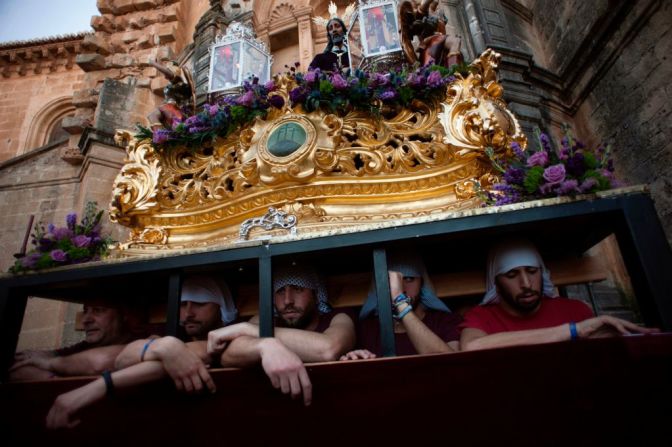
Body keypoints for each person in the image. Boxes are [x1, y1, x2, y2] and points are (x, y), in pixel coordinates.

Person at [45, 275, 237, 429]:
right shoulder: (169, 334)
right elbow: (123, 358)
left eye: (200, 303)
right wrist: (163, 346)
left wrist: (97, 388)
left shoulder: (230, 339)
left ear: (222, 307)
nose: (188, 314)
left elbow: (201, 351)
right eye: (182, 304)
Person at [460, 239, 659, 351]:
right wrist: (573, 331)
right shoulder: (481, 317)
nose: (526, 284)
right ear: (496, 283)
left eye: (532, 272)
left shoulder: (574, 309)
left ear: (542, 273)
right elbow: (472, 346)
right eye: (512, 275)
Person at [206, 263, 356, 406]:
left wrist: (248, 329)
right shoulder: (265, 320)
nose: (287, 300)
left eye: (298, 289)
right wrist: (265, 345)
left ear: (316, 294)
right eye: (280, 291)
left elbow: (329, 349)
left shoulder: (338, 317)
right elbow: (228, 355)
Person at [340, 252, 460, 360]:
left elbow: (452, 364)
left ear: (422, 283)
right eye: (389, 281)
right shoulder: (366, 330)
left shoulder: (445, 321)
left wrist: (400, 301)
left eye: (409, 279)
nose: (401, 288)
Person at [10, 300, 137, 381]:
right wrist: (54, 381)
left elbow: (100, 363)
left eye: (98, 310)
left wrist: (51, 363)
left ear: (124, 315)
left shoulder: (141, 341)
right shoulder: (83, 347)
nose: (85, 320)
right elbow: (18, 367)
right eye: (85, 311)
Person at [400, 0, 463, 67]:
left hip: (441, 39)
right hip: (430, 41)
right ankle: (455, 71)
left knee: (456, 47)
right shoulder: (418, 8)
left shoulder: (438, 11)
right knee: (455, 41)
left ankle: (455, 70)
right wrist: (415, 64)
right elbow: (405, 42)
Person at [147, 59, 194, 131]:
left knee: (157, 114)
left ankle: (162, 135)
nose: (166, 76)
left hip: (176, 110)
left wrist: (153, 64)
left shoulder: (180, 84)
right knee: (152, 115)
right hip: (169, 107)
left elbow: (169, 74)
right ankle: (160, 135)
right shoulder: (170, 86)